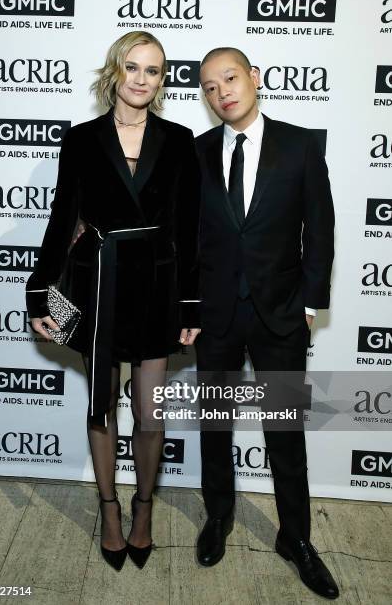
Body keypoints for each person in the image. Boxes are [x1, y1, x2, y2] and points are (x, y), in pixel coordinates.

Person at [25, 31, 201, 572]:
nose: (142, 79)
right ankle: (110, 510)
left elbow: (189, 229)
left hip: (156, 287)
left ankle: (144, 507)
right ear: (114, 72)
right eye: (133, 68)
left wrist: (191, 305)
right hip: (96, 282)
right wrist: (37, 291)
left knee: (149, 412)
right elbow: (62, 219)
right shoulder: (81, 139)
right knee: (100, 406)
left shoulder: (179, 138)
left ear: (162, 79)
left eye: (153, 70)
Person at [194, 47, 338, 600]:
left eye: (230, 78)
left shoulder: (300, 145)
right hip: (215, 317)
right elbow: (190, 240)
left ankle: (296, 538)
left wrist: (309, 302)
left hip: (280, 316)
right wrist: (188, 311)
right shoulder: (199, 152)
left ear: (254, 78)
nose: (222, 92)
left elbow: (319, 231)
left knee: (285, 433)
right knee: (214, 427)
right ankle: (218, 518)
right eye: (209, 87)